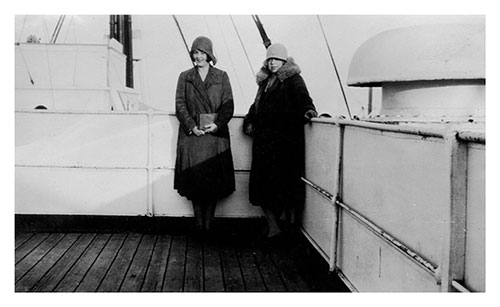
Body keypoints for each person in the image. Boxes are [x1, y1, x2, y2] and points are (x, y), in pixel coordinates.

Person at [243, 43, 317, 241]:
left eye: (276, 59)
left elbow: (304, 99)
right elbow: (256, 105)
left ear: (284, 61)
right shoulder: (265, 81)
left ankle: (275, 228)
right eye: (269, 59)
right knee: (263, 187)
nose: (272, 62)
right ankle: (274, 226)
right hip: (264, 144)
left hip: (282, 144)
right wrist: (249, 120)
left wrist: (309, 111)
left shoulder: (293, 79)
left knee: (278, 188)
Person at [174, 36, 235, 234]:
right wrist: (192, 126)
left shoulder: (222, 76)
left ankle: (209, 224)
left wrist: (216, 125)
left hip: (215, 136)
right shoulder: (185, 76)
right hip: (193, 136)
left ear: (209, 55)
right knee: (195, 183)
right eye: (195, 52)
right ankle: (199, 224)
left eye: (202, 53)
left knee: (213, 183)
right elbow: (180, 104)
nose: (198, 57)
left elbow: (228, 105)